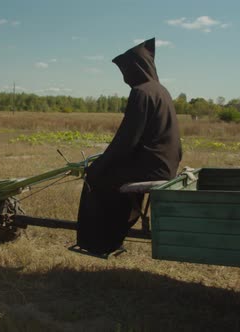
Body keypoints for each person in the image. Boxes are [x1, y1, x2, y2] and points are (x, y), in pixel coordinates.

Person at [76, 37, 182, 255]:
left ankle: (99, 243)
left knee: (95, 179)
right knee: (109, 171)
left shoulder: (141, 92)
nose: (124, 77)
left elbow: (126, 140)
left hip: (151, 166)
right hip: (164, 163)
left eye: (126, 70)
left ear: (138, 68)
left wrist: (98, 167)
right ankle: (114, 235)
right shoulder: (161, 90)